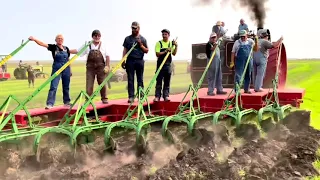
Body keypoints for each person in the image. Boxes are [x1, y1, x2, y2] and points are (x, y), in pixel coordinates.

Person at [28, 34, 78, 109]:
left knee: (66, 86)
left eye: (61, 38)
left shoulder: (66, 48)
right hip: (56, 69)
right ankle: (50, 104)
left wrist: (70, 70)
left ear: (63, 40)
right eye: (58, 38)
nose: (60, 39)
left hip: (66, 69)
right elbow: (42, 44)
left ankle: (67, 102)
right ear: (56, 40)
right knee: (53, 86)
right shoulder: (53, 47)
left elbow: (68, 60)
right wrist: (34, 39)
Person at [78, 30, 110, 104]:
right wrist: (67, 51)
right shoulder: (87, 44)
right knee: (89, 84)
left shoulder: (103, 45)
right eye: (95, 35)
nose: (97, 37)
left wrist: (107, 66)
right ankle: (88, 100)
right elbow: (78, 51)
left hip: (101, 67)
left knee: (102, 83)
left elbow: (107, 56)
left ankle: (104, 99)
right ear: (92, 37)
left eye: (98, 35)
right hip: (90, 68)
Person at [122, 21, 149, 103]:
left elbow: (146, 50)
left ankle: (141, 96)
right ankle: (131, 96)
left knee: (140, 79)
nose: (133, 30)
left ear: (138, 28)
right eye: (132, 28)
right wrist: (123, 60)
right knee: (130, 79)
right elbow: (125, 50)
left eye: (135, 28)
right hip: (130, 61)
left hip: (139, 61)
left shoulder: (143, 39)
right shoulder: (127, 39)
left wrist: (141, 45)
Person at [153, 29, 178, 102]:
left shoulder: (171, 44)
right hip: (160, 65)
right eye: (163, 34)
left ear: (168, 35)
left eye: (165, 34)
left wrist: (176, 46)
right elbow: (157, 54)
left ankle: (166, 96)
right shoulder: (159, 43)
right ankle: (157, 96)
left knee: (167, 82)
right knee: (159, 81)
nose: (164, 36)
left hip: (168, 65)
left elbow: (174, 53)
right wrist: (165, 51)